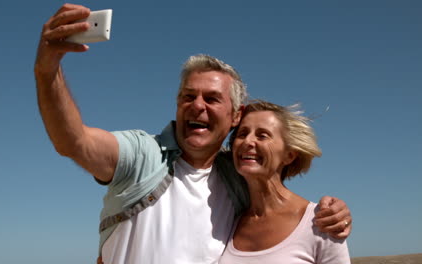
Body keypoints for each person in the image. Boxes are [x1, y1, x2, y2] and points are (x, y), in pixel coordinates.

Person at [34, 4, 352, 264]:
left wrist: (331, 210)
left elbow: (278, 201)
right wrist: (47, 70)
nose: (197, 106)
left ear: (235, 116)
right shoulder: (143, 154)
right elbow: (74, 141)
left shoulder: (238, 176)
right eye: (188, 96)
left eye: (212, 99)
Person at [219, 100, 350, 263]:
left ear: (289, 155)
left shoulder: (322, 221)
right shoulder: (228, 222)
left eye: (262, 135)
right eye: (242, 134)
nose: (247, 141)